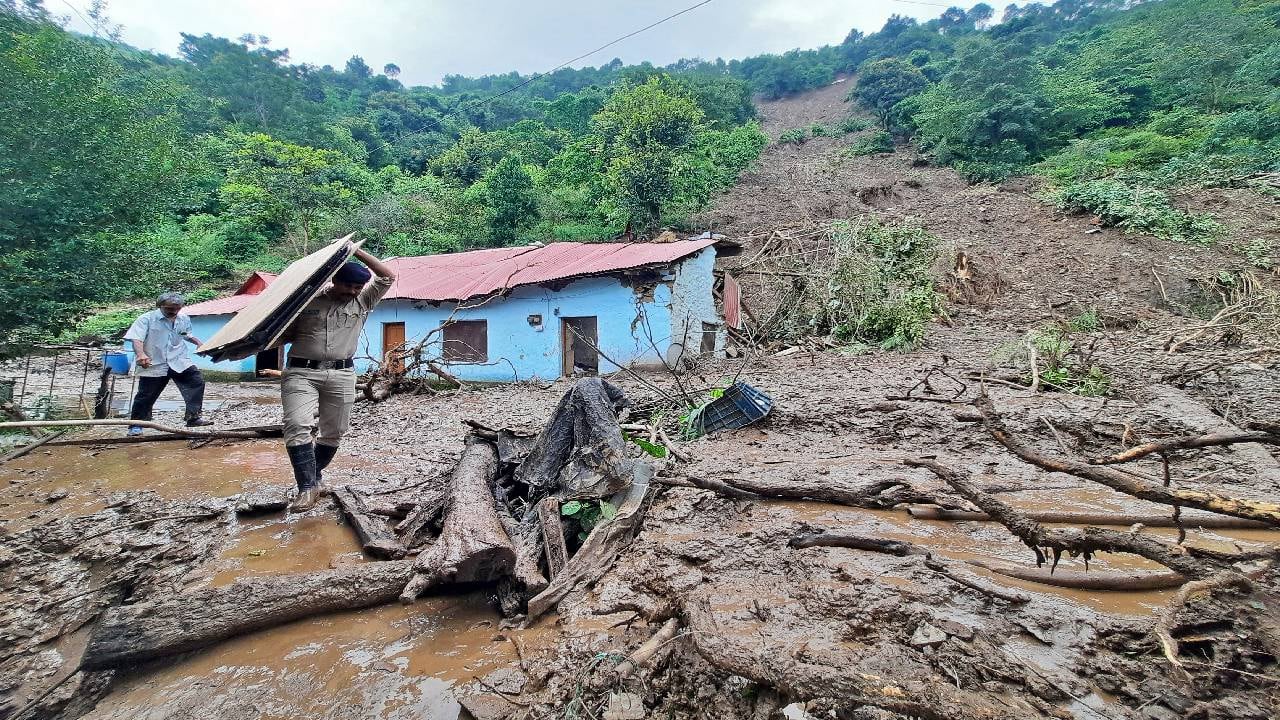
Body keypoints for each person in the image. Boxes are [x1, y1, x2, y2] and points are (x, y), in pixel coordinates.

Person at [280, 248, 396, 511]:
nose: (352, 291)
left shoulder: (363, 301)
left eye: (357, 287)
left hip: (343, 374)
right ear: (334, 280)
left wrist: (357, 251)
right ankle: (307, 488)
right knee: (297, 424)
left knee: (334, 432)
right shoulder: (305, 300)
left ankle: (314, 476)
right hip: (301, 372)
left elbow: (387, 277)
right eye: (347, 285)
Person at [124, 292, 213, 436]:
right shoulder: (146, 319)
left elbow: (186, 334)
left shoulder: (183, 318)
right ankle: (137, 425)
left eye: (177, 308)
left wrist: (198, 343)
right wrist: (141, 354)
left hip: (178, 359)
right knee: (146, 394)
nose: (174, 312)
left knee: (196, 382)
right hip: (154, 362)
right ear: (160, 306)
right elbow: (136, 339)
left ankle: (193, 417)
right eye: (170, 309)